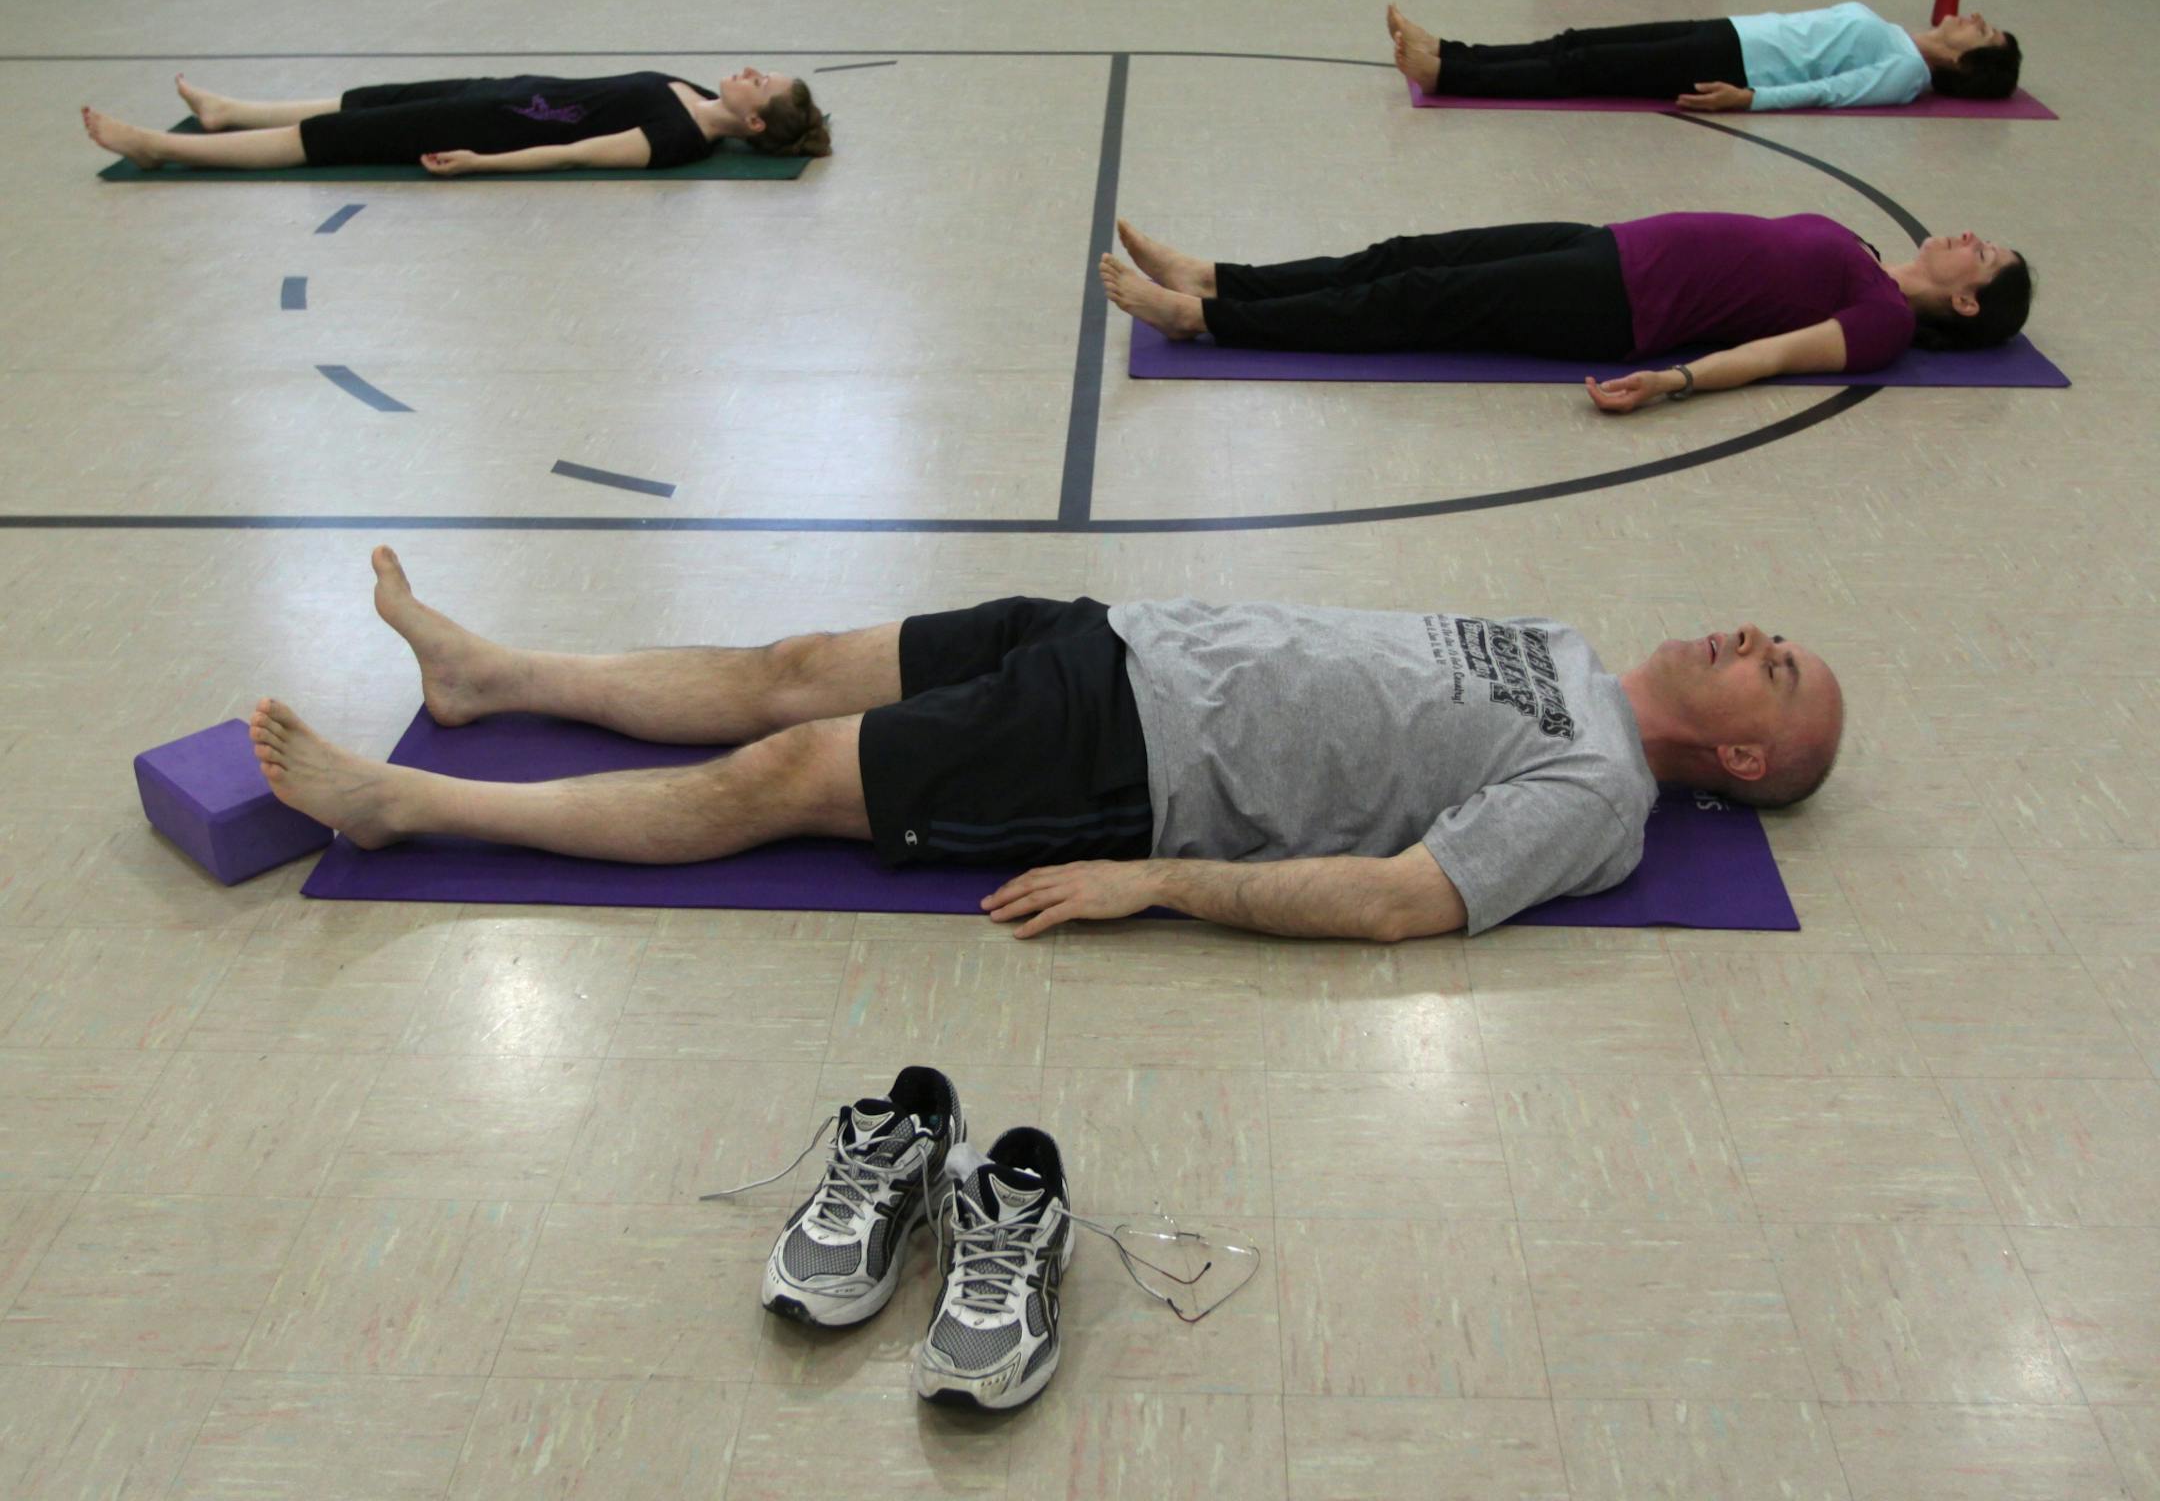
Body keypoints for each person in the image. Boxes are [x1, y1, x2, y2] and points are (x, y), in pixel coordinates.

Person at [247, 547, 1845, 941]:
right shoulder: (1571, 652)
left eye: (1779, 673)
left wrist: (1157, 885)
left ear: (1749, 764)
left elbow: (1399, 900)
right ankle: (488, 676)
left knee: (782, 782)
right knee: (794, 664)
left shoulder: (1601, 799)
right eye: (1773, 636)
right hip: (1117, 634)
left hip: (1134, 761)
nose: (1754, 638)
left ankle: (404, 805)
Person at [1100, 214, 2032, 411]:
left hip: (1618, 302)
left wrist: (1673, 382)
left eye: (1984, 256)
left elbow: (1778, 354)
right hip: (1612, 245)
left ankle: (1202, 322)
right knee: (1406, 253)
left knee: (1410, 303)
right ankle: (1221, 275)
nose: (1970, 236)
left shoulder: (1887, 321)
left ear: (1965, 299)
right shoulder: (1866, 254)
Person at [82, 67, 829, 174]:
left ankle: (154, 148)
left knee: (336, 141)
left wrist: (483, 161)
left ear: (754, 125)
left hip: (499, 126)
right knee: (374, 100)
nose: (751, 73)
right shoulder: (693, 92)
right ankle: (227, 111)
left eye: (761, 85)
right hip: (499, 90)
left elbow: (577, 153)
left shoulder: (679, 138)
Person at [1387, 1, 2022, 110]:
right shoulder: (1902, 37)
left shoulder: (1908, 73)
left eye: (1983, 32)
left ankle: (1447, 74)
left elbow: (1834, 91)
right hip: (1731, 31)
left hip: (1740, 66)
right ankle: (1451, 50)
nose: (1974, 18)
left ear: (1968, 67)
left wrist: (1751, 99)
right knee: (1577, 44)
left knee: (1580, 70)